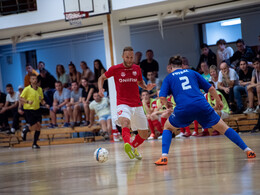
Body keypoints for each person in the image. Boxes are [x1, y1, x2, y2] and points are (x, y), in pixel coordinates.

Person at [154, 55, 256, 166]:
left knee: (168, 127)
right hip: (201, 105)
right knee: (224, 128)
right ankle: (248, 150)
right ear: (182, 65)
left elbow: (162, 97)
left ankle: (164, 157)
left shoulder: (169, 77)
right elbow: (211, 88)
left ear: (170, 67)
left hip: (184, 109)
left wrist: (166, 104)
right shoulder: (192, 72)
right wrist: (218, 102)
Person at [98, 46, 155, 160]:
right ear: (123, 57)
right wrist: (100, 89)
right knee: (125, 122)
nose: (129, 60)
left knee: (144, 134)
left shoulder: (137, 68)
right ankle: (127, 144)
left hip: (137, 104)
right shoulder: (115, 69)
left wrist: (146, 87)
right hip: (123, 103)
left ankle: (133, 147)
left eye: (131, 57)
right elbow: (101, 78)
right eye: (127, 57)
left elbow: (140, 82)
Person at [20, 74, 49, 149]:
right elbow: (21, 98)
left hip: (37, 109)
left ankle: (34, 143)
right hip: (29, 110)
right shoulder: (27, 89)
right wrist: (27, 101)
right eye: (32, 79)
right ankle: (25, 130)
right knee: (35, 126)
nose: (34, 80)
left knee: (39, 127)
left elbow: (41, 100)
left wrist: (45, 104)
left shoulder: (39, 89)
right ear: (30, 80)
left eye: (35, 79)